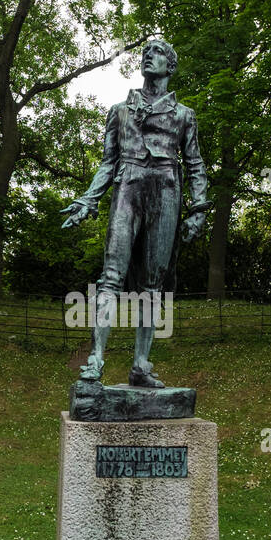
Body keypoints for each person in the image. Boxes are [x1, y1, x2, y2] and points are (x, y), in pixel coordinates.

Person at [61, 37, 208, 387]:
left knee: (153, 285)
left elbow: (195, 164)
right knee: (111, 275)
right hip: (127, 187)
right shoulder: (119, 110)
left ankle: (141, 364)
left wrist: (198, 208)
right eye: (145, 52)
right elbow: (107, 163)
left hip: (167, 193)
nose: (148, 57)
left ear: (170, 66)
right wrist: (88, 199)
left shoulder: (185, 115)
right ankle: (96, 359)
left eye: (157, 53)